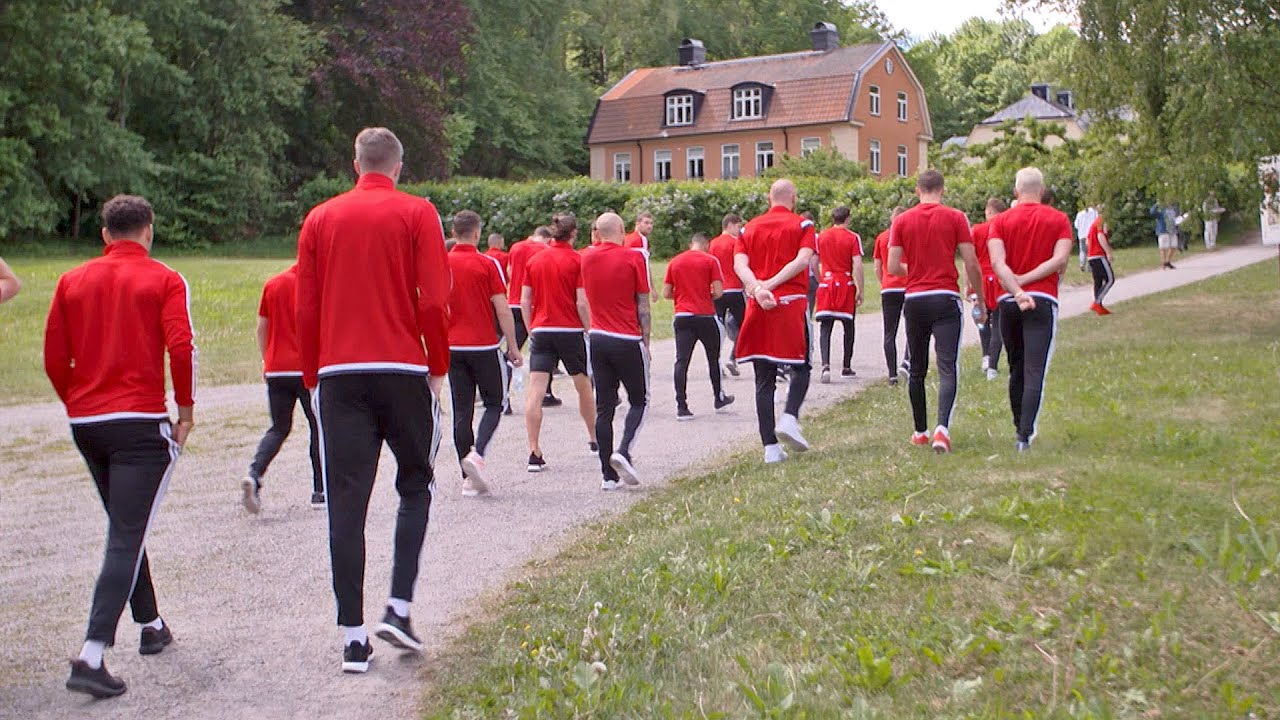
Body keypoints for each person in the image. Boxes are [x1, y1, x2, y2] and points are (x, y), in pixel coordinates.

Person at [296, 127, 450, 673]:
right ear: (398, 166)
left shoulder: (320, 218)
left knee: (346, 500)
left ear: (355, 163)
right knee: (416, 482)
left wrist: (312, 374)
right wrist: (437, 364)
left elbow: (306, 305)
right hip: (401, 365)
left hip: (339, 371)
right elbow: (434, 299)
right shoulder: (417, 213)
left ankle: (353, 636)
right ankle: (399, 606)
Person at [45, 194, 195, 698]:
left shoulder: (71, 280)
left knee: (125, 522)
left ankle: (150, 623)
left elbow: (54, 356)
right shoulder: (165, 279)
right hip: (139, 421)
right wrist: (186, 410)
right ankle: (92, 653)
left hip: (88, 421)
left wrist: (77, 401)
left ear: (105, 235)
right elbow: (180, 346)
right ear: (148, 230)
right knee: (127, 533)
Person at [887, 169, 984, 454]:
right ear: (942, 189)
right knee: (947, 366)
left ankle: (920, 431)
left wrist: (917, 271)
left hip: (915, 299)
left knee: (916, 368)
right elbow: (971, 262)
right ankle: (942, 430)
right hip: (945, 297)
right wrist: (979, 297)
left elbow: (892, 266)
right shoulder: (956, 217)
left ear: (918, 190)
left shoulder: (902, 220)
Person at [988, 167, 1074, 452]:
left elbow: (998, 263)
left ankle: (1018, 425)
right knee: (1035, 368)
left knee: (1016, 366)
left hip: (1009, 302)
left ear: (1016, 191)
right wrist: (1027, 281)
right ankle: (1024, 435)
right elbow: (1060, 259)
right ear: (1042, 190)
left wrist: (1016, 286)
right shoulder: (1059, 219)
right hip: (1042, 299)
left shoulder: (1000, 221)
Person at [733, 179, 816, 464]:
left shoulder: (748, 228)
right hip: (790, 304)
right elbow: (803, 260)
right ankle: (790, 417)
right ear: (793, 198)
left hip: (759, 306)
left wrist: (757, 287)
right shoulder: (802, 225)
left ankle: (769, 447)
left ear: (769, 198)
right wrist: (771, 284)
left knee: (763, 378)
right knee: (801, 366)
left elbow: (739, 264)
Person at [445, 211, 522, 496]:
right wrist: (512, 345)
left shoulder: (442, 264)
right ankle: (477, 453)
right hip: (483, 345)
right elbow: (502, 308)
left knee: (462, 410)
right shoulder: (487, 264)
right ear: (477, 233)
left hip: (452, 346)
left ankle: (467, 477)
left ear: (453, 233)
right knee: (495, 403)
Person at [242, 262, 323, 514]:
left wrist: (266, 359)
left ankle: (254, 474)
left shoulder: (273, 284)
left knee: (279, 428)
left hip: (277, 368)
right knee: (318, 426)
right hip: (306, 368)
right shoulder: (316, 286)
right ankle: (320, 489)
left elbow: (262, 327)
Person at [521, 213, 598, 472]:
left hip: (541, 329)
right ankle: (593, 438)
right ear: (573, 233)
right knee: (582, 385)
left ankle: (534, 450)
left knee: (536, 390)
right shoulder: (577, 260)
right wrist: (589, 329)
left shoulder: (535, 260)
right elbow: (581, 301)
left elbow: (525, 299)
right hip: (569, 330)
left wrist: (531, 328)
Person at [581, 213, 652, 489]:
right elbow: (643, 304)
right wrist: (646, 342)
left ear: (597, 233)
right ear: (622, 230)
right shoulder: (634, 257)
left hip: (598, 337)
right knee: (639, 400)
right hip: (627, 338)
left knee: (605, 406)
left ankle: (607, 476)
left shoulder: (585, 257)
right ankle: (623, 450)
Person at [663, 232, 734, 420]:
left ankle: (681, 406)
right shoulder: (710, 261)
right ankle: (718, 397)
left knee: (681, 361)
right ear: (706, 245)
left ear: (691, 244)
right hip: (705, 315)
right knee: (713, 358)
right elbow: (719, 292)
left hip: (683, 315)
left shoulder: (675, 262)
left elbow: (666, 293)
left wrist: (682, 296)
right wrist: (704, 295)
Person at [506, 227, 561, 408]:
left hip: (513, 302)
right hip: (533, 305)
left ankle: (504, 394)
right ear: (547, 238)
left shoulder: (516, 247)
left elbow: (510, 271)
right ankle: (545, 392)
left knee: (512, 350)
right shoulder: (545, 250)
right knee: (545, 351)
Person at [813, 206, 864, 383]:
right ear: (847, 219)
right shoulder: (852, 237)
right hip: (845, 283)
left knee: (825, 327)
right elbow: (857, 264)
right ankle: (846, 366)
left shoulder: (821, 237)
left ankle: (825, 366)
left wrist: (821, 279)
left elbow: (814, 262)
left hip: (827, 283)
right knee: (848, 326)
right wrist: (860, 289)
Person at [969, 198, 1008, 381]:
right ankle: (993, 365)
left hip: (981, 279)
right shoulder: (1005, 229)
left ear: (989, 211)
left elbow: (971, 259)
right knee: (998, 323)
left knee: (981, 318)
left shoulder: (977, 230)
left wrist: (968, 285)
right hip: (999, 279)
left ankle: (986, 355)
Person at [873, 207, 908, 385]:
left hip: (889, 288)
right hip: (908, 286)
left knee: (889, 332)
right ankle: (908, 361)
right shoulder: (909, 236)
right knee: (914, 328)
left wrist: (884, 281)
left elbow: (877, 266)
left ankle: (892, 374)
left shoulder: (881, 238)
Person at [709, 213, 745, 376]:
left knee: (719, 326)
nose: (739, 230)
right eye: (738, 226)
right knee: (744, 325)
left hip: (718, 290)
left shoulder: (713, 243)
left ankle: (716, 361)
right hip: (735, 289)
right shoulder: (736, 242)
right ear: (729, 225)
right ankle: (733, 357)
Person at [1086, 211, 1116, 315]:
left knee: (1098, 281)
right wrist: (1108, 252)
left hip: (1091, 256)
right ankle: (1097, 303)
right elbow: (1100, 236)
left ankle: (1099, 307)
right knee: (1110, 279)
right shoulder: (1101, 222)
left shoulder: (1094, 223)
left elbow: (1087, 241)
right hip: (1098, 255)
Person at [1151, 202, 1178, 269]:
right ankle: (1163, 262)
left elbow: (1177, 217)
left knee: (1173, 246)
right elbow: (1152, 212)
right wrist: (1157, 204)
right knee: (1163, 247)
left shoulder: (1174, 209)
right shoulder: (1161, 210)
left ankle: (1168, 261)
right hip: (1163, 230)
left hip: (1172, 230)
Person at [1073, 204, 1097, 272]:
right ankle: (1090, 267)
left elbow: (1076, 225)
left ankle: (1082, 264)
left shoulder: (1079, 214)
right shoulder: (1094, 212)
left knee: (1082, 251)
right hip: (1090, 235)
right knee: (1090, 251)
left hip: (1081, 235)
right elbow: (1096, 222)